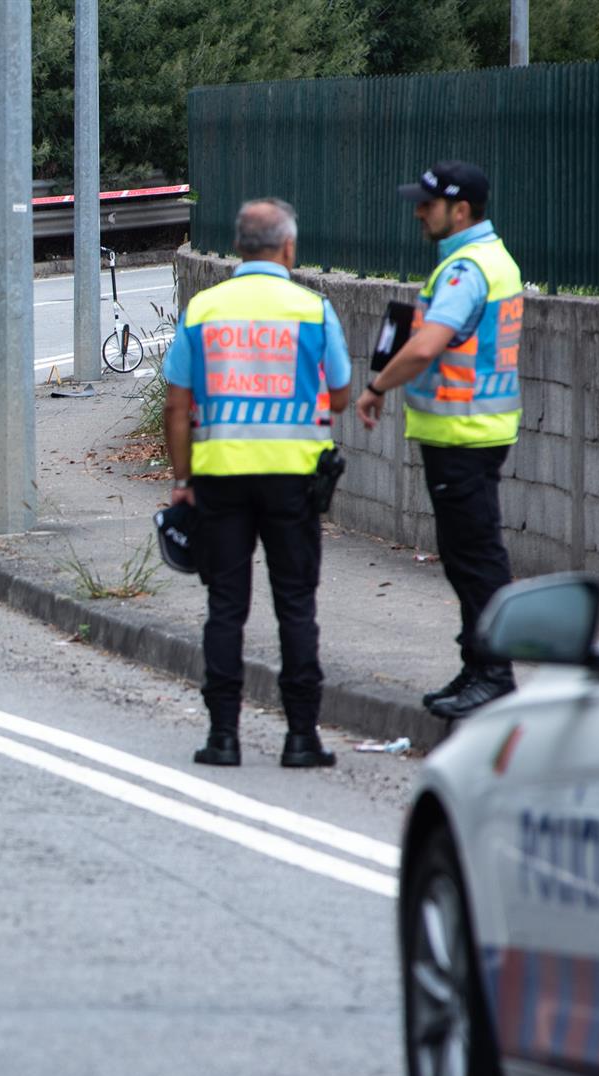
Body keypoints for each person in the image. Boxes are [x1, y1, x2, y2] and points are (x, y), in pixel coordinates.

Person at [163, 198, 352, 768]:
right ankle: (301, 738)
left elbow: (177, 404)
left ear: (240, 246)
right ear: (288, 247)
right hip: (294, 481)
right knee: (295, 605)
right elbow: (340, 392)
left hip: (219, 479)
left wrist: (182, 479)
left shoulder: (204, 309)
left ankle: (223, 737)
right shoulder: (314, 310)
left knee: (226, 607)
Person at [355, 161, 523, 720]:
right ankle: (479, 665)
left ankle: (494, 673)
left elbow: (428, 346)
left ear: (461, 209)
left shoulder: (466, 270)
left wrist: (377, 385)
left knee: (474, 557)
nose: (418, 211)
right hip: (475, 430)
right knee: (466, 554)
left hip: (462, 433)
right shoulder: (485, 260)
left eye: (427, 204)